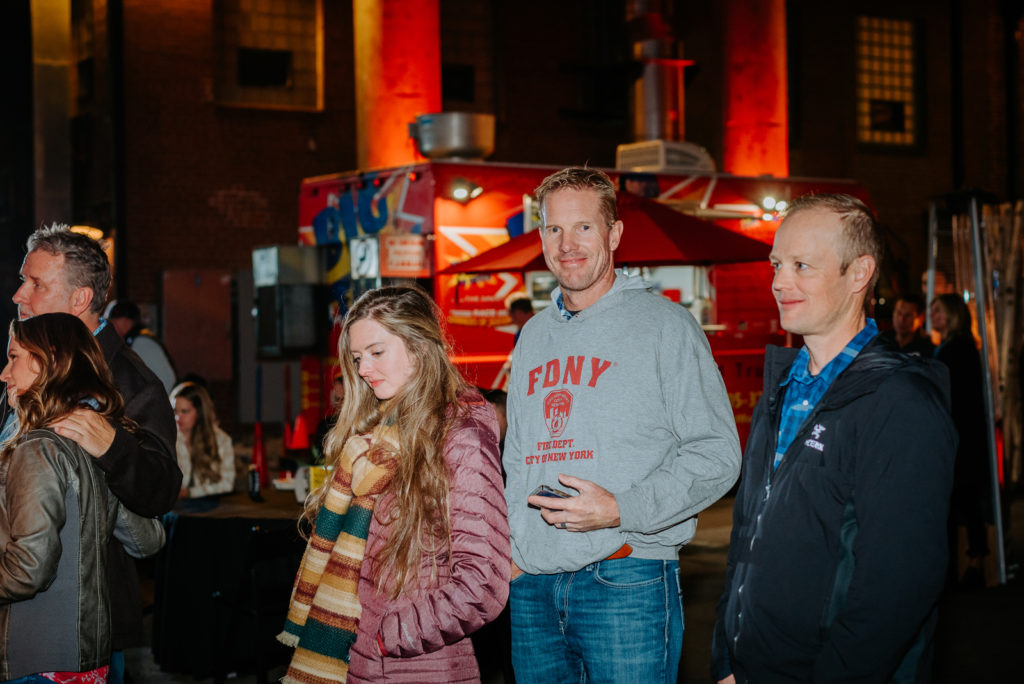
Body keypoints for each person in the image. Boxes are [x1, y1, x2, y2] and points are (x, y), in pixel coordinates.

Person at [503, 167, 741, 683]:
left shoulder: (665, 325)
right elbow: (517, 455)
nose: (567, 244)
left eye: (583, 227)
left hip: (626, 575)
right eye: (554, 229)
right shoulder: (534, 336)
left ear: (614, 234)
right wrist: (516, 551)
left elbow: (717, 453)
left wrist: (620, 509)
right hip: (533, 585)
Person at [712, 194, 956, 683]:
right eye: (777, 264)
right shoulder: (783, 388)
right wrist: (726, 658)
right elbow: (746, 537)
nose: (780, 282)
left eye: (802, 266)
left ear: (859, 273)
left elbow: (897, 588)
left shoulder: (899, 402)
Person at [278, 286, 510, 683]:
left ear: (418, 349)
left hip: (416, 665)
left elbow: (483, 583)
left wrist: (388, 635)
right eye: (357, 358)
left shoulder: (460, 436)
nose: (363, 369)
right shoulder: (378, 433)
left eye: (376, 352)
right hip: (355, 660)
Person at [6, 225, 181, 682]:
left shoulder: (132, 382)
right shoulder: (28, 366)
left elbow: (161, 493)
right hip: (17, 618)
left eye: (36, 284)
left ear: (80, 299)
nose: (19, 295)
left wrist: (112, 447)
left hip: (80, 630)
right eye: (23, 280)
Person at [931, 293, 991, 589]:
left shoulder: (959, 348)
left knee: (965, 498)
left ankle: (974, 562)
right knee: (962, 498)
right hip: (959, 433)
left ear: (952, 314)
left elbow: (959, 395)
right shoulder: (951, 346)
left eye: (938, 311)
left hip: (961, 435)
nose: (933, 316)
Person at [170, 382, 236, 498]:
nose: (178, 417)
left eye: (184, 411)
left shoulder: (221, 440)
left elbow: (227, 484)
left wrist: (189, 492)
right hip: (175, 506)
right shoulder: (168, 439)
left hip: (210, 504)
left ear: (200, 412)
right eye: (175, 411)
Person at [107, 300, 177, 393]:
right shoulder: (139, 339)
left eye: (113, 323)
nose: (110, 329)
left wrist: (152, 401)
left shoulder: (141, 342)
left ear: (125, 322)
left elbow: (167, 378)